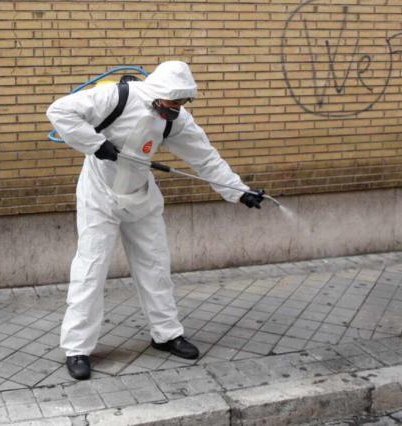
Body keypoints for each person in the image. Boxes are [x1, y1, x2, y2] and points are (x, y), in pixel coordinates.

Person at [47, 61, 264, 380]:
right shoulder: (116, 98)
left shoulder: (175, 121)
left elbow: (205, 158)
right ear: (157, 94)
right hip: (100, 194)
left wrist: (239, 191)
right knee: (91, 268)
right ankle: (78, 348)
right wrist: (97, 145)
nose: (176, 109)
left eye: (181, 103)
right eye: (172, 102)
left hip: (141, 195)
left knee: (156, 264)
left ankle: (166, 334)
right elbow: (60, 111)